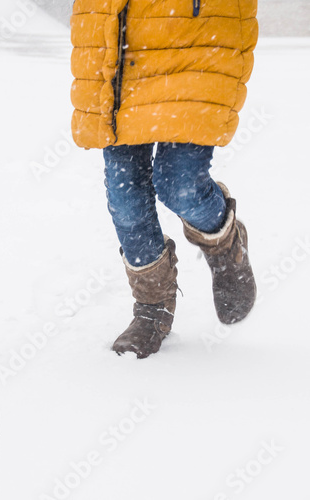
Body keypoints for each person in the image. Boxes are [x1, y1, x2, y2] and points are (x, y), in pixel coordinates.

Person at [70, 0, 258, 358]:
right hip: (119, 44)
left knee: (180, 184)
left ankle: (225, 243)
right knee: (126, 199)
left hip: (196, 40)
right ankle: (152, 307)